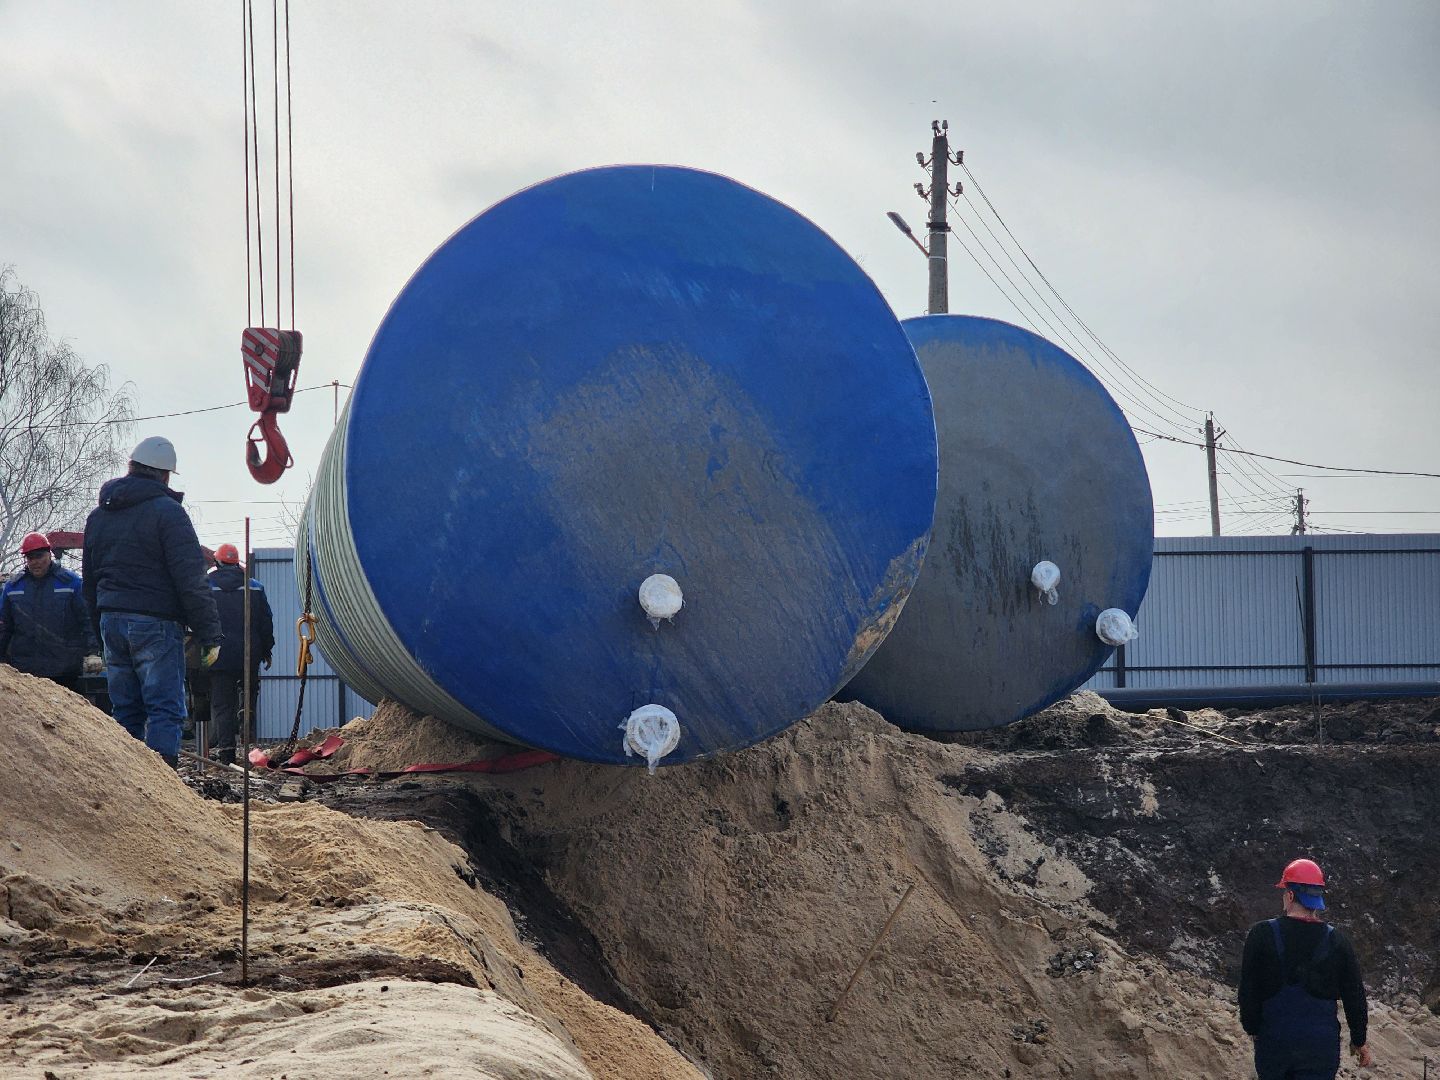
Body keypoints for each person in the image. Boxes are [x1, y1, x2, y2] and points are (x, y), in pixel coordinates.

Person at [82, 436, 222, 768]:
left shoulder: (99, 516)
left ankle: (127, 787)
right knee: (164, 708)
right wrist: (210, 633)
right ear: (165, 476)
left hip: (110, 620)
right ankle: (163, 796)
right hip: (154, 624)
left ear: (131, 468)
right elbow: (190, 578)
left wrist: (98, 633)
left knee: (126, 709)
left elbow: (89, 581)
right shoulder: (168, 513)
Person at [1239, 858, 1372, 1079]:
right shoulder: (1338, 941)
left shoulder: (1261, 934)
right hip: (1320, 1047)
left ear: (1290, 895)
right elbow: (1354, 995)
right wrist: (1359, 1040)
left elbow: (1248, 989)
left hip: (1274, 1043)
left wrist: (1252, 1028)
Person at [0, 532, 101, 691]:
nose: (35, 562)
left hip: (64, 671)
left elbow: (87, 620)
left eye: (39, 556)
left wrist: (93, 652)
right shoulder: (13, 588)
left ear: (49, 554)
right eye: (30, 558)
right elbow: (4, 626)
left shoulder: (71, 583)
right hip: (25, 671)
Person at [205, 542, 274, 763]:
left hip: (217, 655)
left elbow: (198, 617)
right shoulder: (254, 587)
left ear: (216, 561)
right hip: (248, 654)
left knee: (223, 704)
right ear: (237, 563)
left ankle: (226, 753)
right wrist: (266, 650)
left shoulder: (205, 586)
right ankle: (248, 741)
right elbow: (266, 623)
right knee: (248, 697)